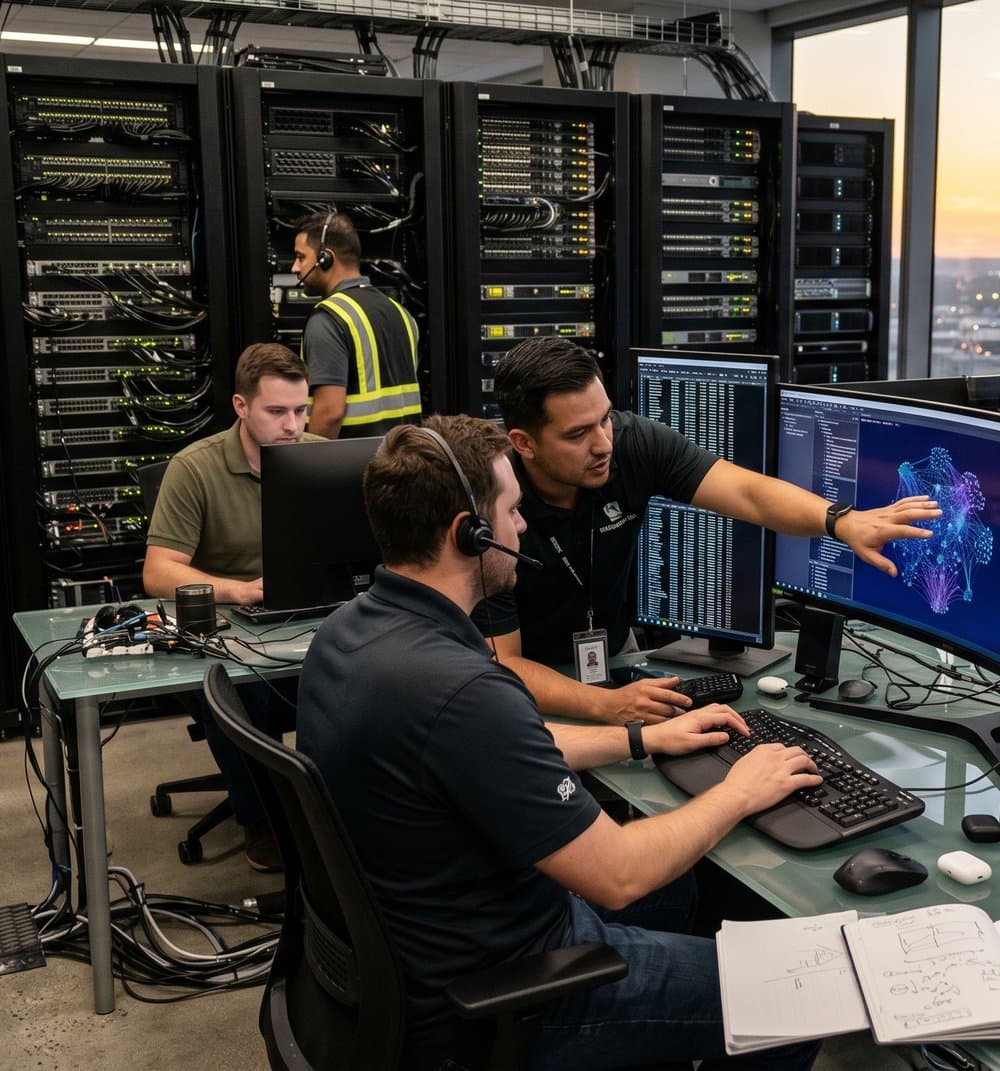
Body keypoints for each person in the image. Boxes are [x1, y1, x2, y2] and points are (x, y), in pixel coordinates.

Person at [295, 414, 823, 1071]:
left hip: (425, 948)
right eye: (513, 512)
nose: (521, 529)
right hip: (503, 997)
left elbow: (493, 752)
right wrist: (739, 791)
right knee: (799, 995)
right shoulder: (464, 691)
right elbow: (619, 873)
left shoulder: (351, 633)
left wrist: (637, 737)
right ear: (471, 533)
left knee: (684, 886)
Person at [477, 337, 941, 725]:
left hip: (614, 655)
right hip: (525, 682)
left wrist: (840, 520)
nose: (603, 444)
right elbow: (504, 664)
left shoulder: (632, 442)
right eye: (578, 434)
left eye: (604, 419)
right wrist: (607, 704)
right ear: (524, 443)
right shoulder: (494, 504)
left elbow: (747, 493)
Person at [144, 341, 321, 871]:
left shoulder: (317, 456)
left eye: (300, 410)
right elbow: (158, 572)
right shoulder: (194, 469)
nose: (293, 426)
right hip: (230, 636)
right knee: (246, 697)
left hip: (308, 626)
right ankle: (263, 822)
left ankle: (335, 814)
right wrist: (239, 590)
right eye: (277, 412)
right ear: (242, 408)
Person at [290, 210, 423, 439]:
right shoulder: (400, 313)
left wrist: (310, 469)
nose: (294, 267)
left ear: (325, 258)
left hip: (353, 467)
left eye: (301, 257)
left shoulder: (328, 319)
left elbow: (330, 412)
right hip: (405, 461)